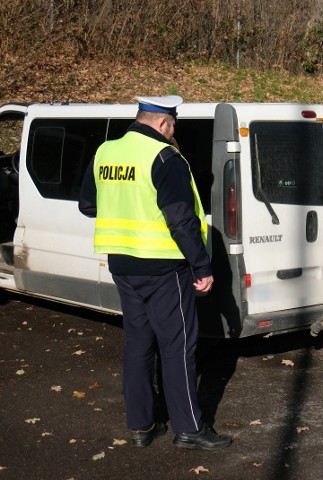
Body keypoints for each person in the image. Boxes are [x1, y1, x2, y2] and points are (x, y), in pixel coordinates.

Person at [78, 95, 231, 451]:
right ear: (164, 124)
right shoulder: (165, 157)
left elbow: (88, 204)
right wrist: (202, 266)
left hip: (122, 264)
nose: (173, 132)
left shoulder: (106, 152)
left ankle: (141, 426)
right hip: (163, 267)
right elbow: (180, 219)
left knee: (137, 344)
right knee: (177, 347)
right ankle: (189, 428)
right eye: (173, 125)